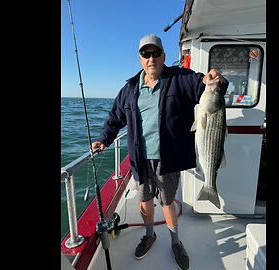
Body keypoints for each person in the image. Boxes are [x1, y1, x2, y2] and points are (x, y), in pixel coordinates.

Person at [92, 34, 228, 270]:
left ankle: (176, 242)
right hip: (139, 158)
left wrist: (218, 81)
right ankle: (149, 235)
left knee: (167, 202)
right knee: (144, 201)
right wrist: (104, 139)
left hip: (169, 157)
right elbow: (115, 118)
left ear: (164, 56)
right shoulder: (130, 88)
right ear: (140, 58)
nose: (151, 58)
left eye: (156, 53)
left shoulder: (181, 78)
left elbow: (208, 88)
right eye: (146, 54)